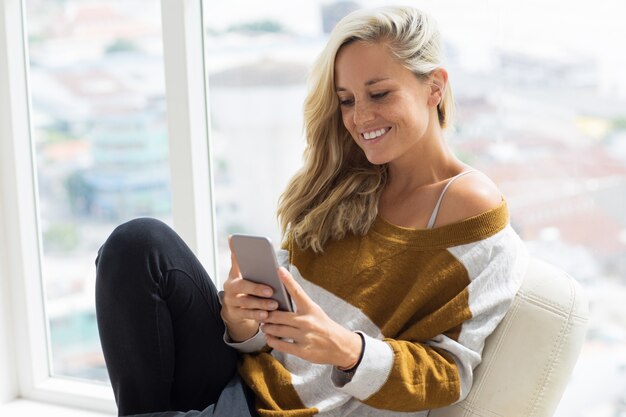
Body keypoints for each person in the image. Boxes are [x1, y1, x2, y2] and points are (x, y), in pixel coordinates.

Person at [95, 6, 528, 417]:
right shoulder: (343, 183)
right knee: (139, 244)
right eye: (346, 100)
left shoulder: (472, 211)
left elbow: (448, 373)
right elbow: (265, 337)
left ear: (434, 86)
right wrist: (240, 321)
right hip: (241, 382)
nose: (361, 117)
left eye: (378, 93)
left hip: (294, 410)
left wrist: (347, 349)